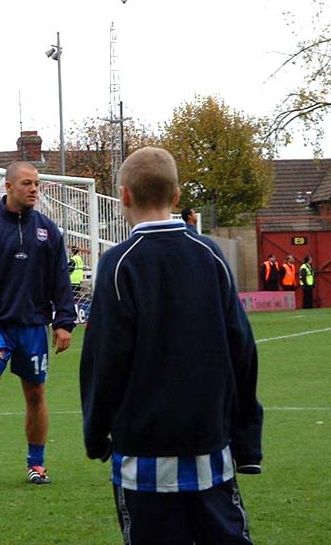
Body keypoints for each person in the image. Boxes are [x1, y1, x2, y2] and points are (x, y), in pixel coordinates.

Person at [80, 147, 263, 545]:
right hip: (209, 445)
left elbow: (104, 360)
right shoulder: (209, 255)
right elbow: (243, 349)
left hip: (142, 454)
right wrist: (246, 438)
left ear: (124, 196)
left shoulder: (118, 264)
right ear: (177, 196)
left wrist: (95, 433)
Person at [0, 161, 76, 489]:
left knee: (35, 393)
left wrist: (63, 321)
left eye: (37, 184)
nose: (33, 189)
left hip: (33, 326)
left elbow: (61, 278)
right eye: (27, 183)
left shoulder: (48, 229)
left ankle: (36, 464)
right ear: (8, 187)